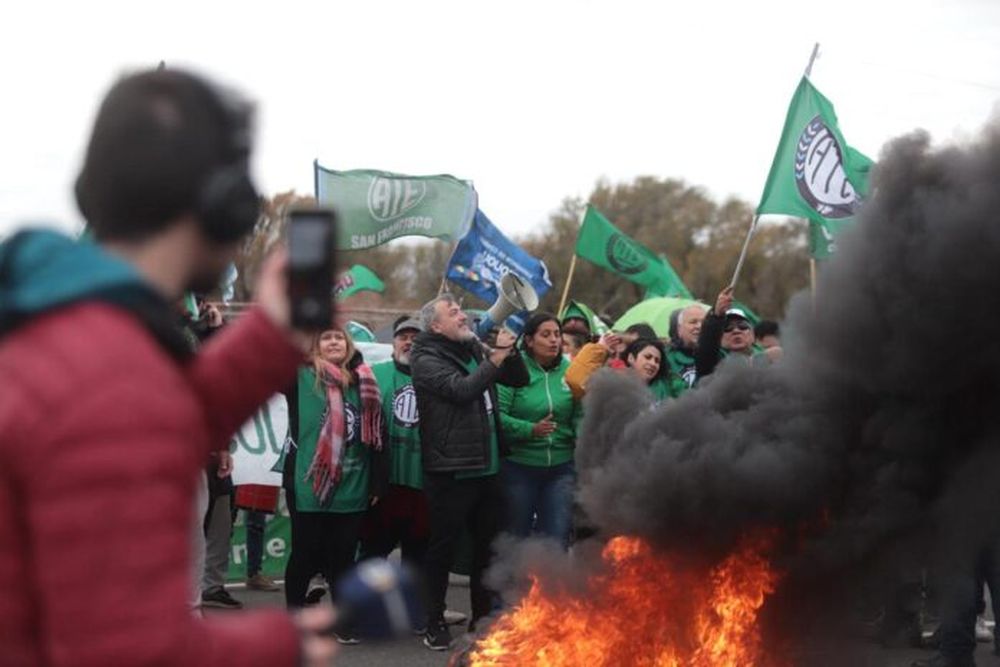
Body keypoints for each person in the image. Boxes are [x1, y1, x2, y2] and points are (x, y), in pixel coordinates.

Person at [0, 68, 334, 666]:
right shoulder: (113, 378)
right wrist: (291, 639)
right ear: (223, 207)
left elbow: (163, 421)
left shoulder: (56, 317)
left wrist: (271, 336)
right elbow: (133, 653)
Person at [410, 295, 529, 650]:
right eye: (454, 312)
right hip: (451, 468)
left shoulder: (472, 346)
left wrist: (510, 350)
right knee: (442, 550)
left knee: (486, 549)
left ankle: (481, 620)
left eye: (462, 310)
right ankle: (433, 621)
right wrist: (493, 358)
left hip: (487, 466)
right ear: (436, 325)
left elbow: (519, 379)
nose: (464, 316)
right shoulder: (425, 356)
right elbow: (461, 390)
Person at [283, 327, 387, 645]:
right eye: (326, 338)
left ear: (348, 344)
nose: (333, 342)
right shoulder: (298, 377)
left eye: (339, 338)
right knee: (304, 554)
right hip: (308, 483)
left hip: (354, 484)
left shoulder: (366, 381)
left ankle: (342, 621)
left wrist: (378, 483)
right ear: (315, 345)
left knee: (343, 557)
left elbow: (380, 436)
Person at [497, 313, 581, 548]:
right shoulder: (513, 367)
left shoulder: (570, 369)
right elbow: (496, 416)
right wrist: (530, 429)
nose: (554, 340)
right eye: (546, 335)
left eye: (557, 334)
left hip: (561, 468)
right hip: (519, 467)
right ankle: (514, 584)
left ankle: (551, 585)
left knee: (557, 535)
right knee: (516, 535)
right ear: (530, 340)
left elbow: (580, 411)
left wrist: (581, 433)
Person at [566, 331, 681, 403]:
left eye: (657, 361)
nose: (653, 363)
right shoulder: (614, 384)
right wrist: (600, 348)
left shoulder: (667, 387)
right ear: (631, 358)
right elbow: (576, 380)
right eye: (647, 357)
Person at [694, 286, 771, 381]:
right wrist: (716, 315)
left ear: (753, 335)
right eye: (727, 327)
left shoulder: (768, 360)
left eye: (742, 326)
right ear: (719, 337)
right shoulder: (712, 364)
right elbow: (706, 348)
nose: (736, 331)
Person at [666, 303, 708, 391]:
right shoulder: (666, 358)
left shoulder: (718, 355)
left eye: (703, 322)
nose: (699, 326)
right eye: (693, 322)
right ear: (679, 329)